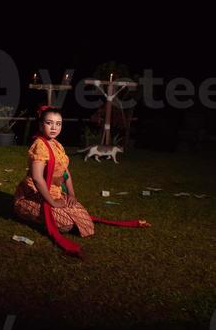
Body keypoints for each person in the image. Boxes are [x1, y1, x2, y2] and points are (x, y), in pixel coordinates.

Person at [14, 105, 149, 257]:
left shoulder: (57, 145)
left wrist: (71, 194)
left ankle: (56, 210)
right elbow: (38, 179)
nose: (54, 127)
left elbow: (66, 172)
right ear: (40, 125)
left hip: (56, 192)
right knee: (66, 224)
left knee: (84, 220)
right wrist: (52, 202)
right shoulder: (39, 146)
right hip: (34, 194)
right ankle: (25, 211)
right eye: (49, 123)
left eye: (58, 123)